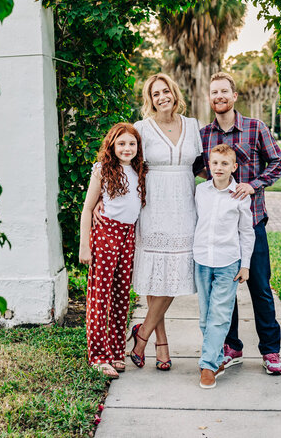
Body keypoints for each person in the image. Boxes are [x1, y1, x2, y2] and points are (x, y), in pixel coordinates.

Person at [199, 71, 281, 375]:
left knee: (260, 287)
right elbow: (197, 168)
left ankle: (271, 351)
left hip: (252, 222)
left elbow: (278, 162)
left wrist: (254, 184)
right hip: (219, 229)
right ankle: (231, 346)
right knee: (224, 290)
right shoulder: (204, 135)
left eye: (224, 91)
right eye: (214, 93)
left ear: (234, 96)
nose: (219, 97)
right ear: (209, 98)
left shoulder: (255, 127)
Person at [127, 73, 202, 370]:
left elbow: (201, 165)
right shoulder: (141, 129)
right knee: (156, 274)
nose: (162, 97)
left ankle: (142, 332)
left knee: (176, 272)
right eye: (155, 94)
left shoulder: (193, 125)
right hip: (153, 206)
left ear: (174, 93)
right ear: (150, 99)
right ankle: (161, 344)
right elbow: (127, 166)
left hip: (184, 205)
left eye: (165, 91)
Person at [79, 123, 147, 379]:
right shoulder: (104, 170)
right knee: (101, 296)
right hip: (106, 233)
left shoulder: (139, 170)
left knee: (121, 295)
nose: (127, 148)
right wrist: (84, 245)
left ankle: (117, 351)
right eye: (121, 144)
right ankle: (98, 356)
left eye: (131, 143)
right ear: (112, 146)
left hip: (128, 235)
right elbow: (88, 208)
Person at [193, 144, 254, 389]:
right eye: (215, 163)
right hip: (201, 259)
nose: (219, 168)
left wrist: (246, 265)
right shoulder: (200, 192)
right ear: (209, 164)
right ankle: (218, 358)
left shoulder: (239, 195)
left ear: (234, 167)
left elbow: (246, 232)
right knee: (205, 316)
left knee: (219, 314)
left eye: (225, 164)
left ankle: (207, 366)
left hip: (228, 261)